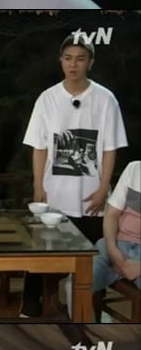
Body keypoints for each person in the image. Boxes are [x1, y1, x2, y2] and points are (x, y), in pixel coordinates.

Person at [21, 34, 128, 317]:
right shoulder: (47, 98)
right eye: (68, 58)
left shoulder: (105, 99)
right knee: (42, 255)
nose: (73, 64)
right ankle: (30, 308)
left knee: (93, 261)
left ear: (90, 63)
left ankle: (87, 313)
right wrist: (38, 185)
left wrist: (104, 187)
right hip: (55, 196)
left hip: (92, 198)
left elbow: (110, 148)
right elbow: (39, 147)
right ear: (60, 61)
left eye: (80, 59)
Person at [91, 159, 141, 303]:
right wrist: (113, 250)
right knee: (77, 284)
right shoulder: (134, 168)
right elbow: (111, 214)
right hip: (118, 244)